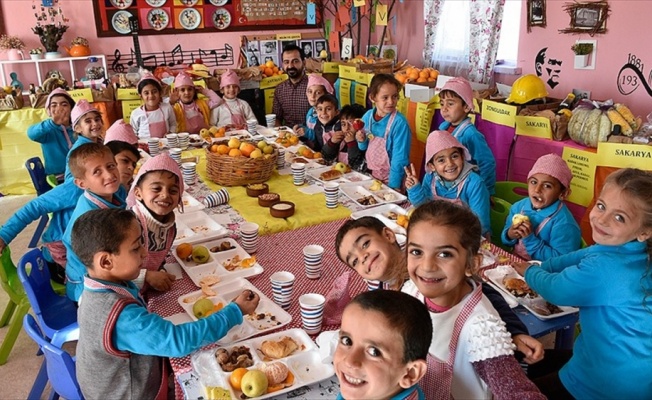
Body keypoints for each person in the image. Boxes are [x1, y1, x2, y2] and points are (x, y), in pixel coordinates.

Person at [72, 208, 260, 399]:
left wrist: (144, 278)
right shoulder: (122, 317)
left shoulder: (94, 287)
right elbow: (178, 341)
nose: (145, 253)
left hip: (106, 385)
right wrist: (234, 311)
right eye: (136, 248)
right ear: (105, 262)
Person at [512, 168, 652, 399]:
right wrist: (543, 266)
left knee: (514, 392)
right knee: (532, 363)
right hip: (631, 370)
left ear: (644, 232)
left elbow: (556, 290)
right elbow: (575, 257)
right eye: (601, 205)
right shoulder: (626, 249)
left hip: (607, 383)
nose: (602, 219)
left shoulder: (608, 268)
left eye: (620, 217)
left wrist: (530, 272)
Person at [334, 215, 545, 367]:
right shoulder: (384, 287)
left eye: (365, 244)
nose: (362, 257)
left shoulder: (425, 268)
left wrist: (515, 331)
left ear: (389, 234)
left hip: (470, 358)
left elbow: (482, 292)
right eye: (354, 261)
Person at [402, 200, 545, 399]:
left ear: (472, 263)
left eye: (444, 254)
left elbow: (516, 391)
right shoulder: (411, 292)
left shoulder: (481, 328)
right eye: (417, 252)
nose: (427, 266)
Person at [0, 135, 140, 283]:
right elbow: (35, 206)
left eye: (111, 166)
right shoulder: (76, 192)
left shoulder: (118, 190)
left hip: (92, 248)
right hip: (63, 258)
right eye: (124, 161)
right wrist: (4, 235)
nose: (130, 168)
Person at [334, 290, 431, 400]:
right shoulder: (371, 391)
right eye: (347, 341)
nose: (350, 361)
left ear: (410, 373)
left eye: (374, 352)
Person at [62, 142, 128, 302]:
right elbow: (103, 266)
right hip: (86, 288)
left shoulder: (113, 195)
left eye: (111, 166)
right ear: (82, 183)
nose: (109, 175)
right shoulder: (91, 218)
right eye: (97, 171)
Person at [404, 131, 490, 237]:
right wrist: (414, 189)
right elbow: (424, 207)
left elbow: (481, 224)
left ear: (462, 157)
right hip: (437, 231)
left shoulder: (475, 184)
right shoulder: (430, 178)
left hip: (469, 236)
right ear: (432, 166)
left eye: (454, 156)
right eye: (441, 160)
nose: (450, 164)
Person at [502, 154, 581, 261]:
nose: (537, 190)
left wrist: (530, 239)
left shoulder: (564, 224)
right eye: (534, 182)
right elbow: (505, 240)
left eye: (547, 186)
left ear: (563, 193)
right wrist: (509, 234)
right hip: (516, 263)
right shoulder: (518, 207)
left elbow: (561, 262)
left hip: (545, 274)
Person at [126, 154, 182, 293]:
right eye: (157, 188)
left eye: (173, 191)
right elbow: (113, 273)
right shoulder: (128, 226)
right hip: (123, 298)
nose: (165, 195)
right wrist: (147, 276)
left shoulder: (170, 228)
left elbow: (159, 259)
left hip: (145, 291)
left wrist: (159, 271)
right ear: (138, 193)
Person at [438, 77, 496, 195]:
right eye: (442, 103)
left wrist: (485, 191)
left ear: (466, 107)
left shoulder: (471, 134)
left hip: (468, 189)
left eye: (450, 104)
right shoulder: (443, 128)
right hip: (451, 185)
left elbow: (487, 163)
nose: (444, 109)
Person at [354, 74, 411, 190]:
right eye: (385, 97)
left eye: (395, 96)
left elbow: (399, 159)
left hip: (393, 177)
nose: (391, 102)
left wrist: (393, 186)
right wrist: (361, 140)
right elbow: (363, 148)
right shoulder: (367, 117)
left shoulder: (399, 123)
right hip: (373, 176)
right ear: (373, 97)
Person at [27, 88, 76, 177]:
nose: (59, 108)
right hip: (59, 177)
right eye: (54, 105)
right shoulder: (47, 131)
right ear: (49, 110)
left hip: (80, 174)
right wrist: (53, 123)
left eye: (64, 105)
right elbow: (31, 134)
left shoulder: (78, 127)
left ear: (71, 108)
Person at [63, 99, 106, 182]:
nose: (95, 123)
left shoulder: (98, 143)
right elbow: (70, 180)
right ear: (78, 128)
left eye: (97, 119)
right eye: (88, 121)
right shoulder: (80, 150)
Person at [272, 44, 311, 127]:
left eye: (295, 61)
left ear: (304, 63)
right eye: (286, 62)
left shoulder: (314, 85)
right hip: (288, 137)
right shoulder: (280, 89)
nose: (290, 66)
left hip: (311, 137)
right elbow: (276, 118)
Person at [130, 74, 177, 139]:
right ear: (140, 96)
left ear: (160, 93)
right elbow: (133, 133)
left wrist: (170, 133)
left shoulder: (167, 108)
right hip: (145, 147)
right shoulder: (136, 113)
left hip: (166, 145)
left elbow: (173, 124)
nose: (151, 96)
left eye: (154, 92)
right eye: (146, 93)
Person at [293, 74, 333, 143]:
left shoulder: (327, 114)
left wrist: (307, 132)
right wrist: (300, 127)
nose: (312, 96)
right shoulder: (311, 111)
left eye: (318, 93)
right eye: (310, 92)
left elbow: (324, 138)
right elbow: (308, 127)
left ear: (326, 95)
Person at [325, 103, 366, 170]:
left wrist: (352, 144)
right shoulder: (341, 141)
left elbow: (357, 167)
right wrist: (331, 143)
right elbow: (326, 158)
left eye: (351, 124)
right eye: (343, 124)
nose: (346, 128)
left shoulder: (364, 142)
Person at [104, 119, 140, 190]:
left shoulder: (121, 189)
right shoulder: (104, 193)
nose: (131, 168)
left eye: (134, 164)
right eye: (125, 161)